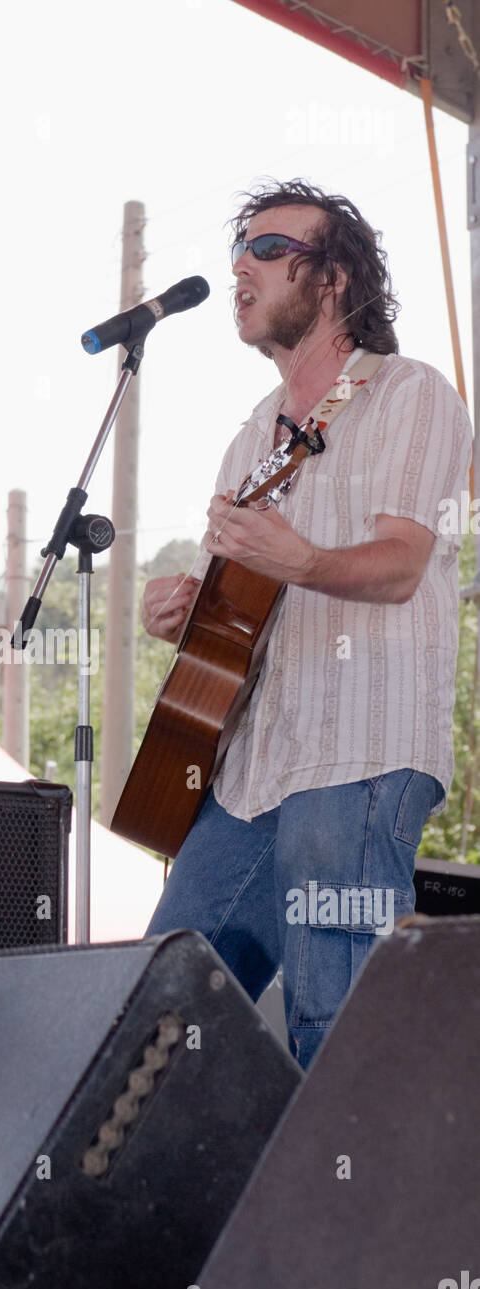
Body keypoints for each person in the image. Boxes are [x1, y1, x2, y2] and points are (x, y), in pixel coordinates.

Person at [141, 180, 472, 1069]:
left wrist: (303, 561)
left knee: (337, 1018)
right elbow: (238, 609)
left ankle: (358, 1203)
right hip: (251, 772)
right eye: (238, 251)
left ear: (334, 280)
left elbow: (403, 564)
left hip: (361, 751)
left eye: (269, 249)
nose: (242, 266)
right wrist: (182, 613)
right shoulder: (252, 433)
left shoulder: (412, 394)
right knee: (150, 1024)